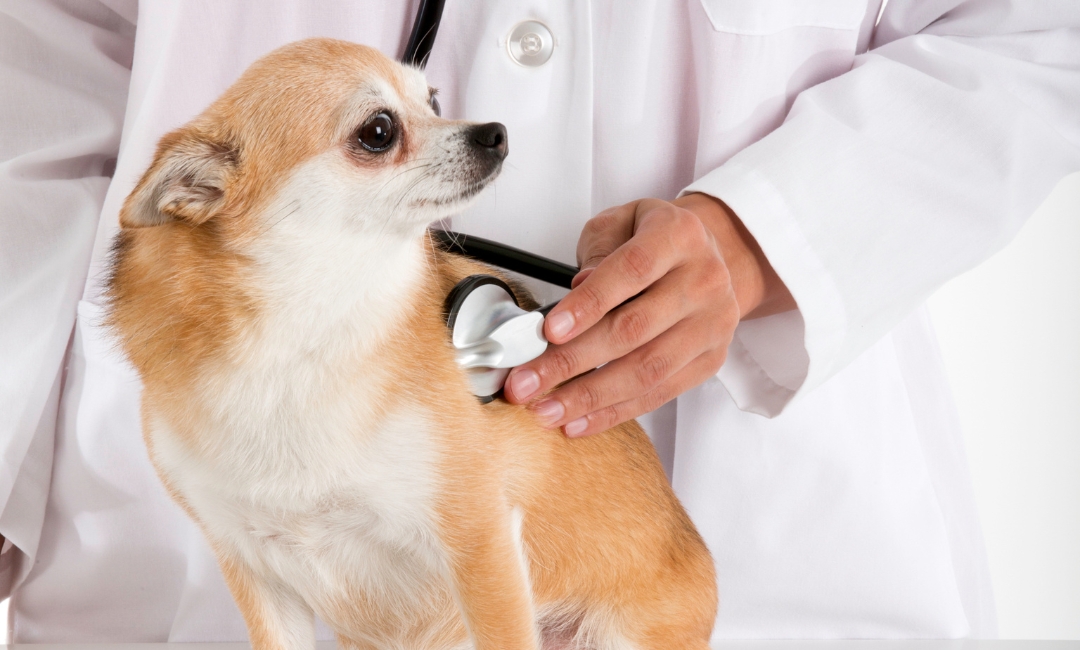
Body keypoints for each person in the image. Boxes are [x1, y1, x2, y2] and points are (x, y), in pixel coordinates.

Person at [1, 0, 1077, 642]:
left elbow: (1034, 25)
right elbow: (42, 61)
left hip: (757, 543)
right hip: (186, 550)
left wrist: (776, 236)